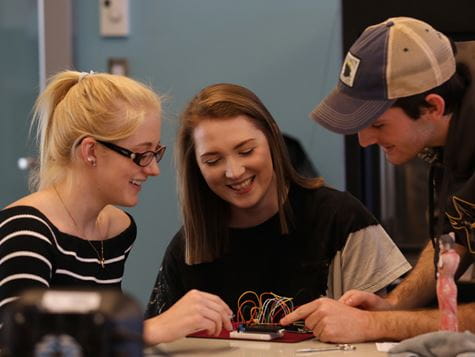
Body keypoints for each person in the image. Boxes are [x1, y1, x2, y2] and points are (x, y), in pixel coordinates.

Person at [145, 83, 411, 323]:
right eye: (213, 161)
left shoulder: (341, 220)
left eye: (246, 151)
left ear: (273, 140)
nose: (234, 171)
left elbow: (382, 335)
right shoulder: (187, 248)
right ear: (197, 169)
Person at [0, 70, 232, 345]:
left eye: (155, 152)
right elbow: (15, 343)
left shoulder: (116, 229)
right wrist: (149, 330)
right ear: (91, 151)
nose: (153, 169)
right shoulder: (26, 231)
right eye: (141, 155)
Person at [281, 16, 475, 342]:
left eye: (378, 124)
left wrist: (373, 326)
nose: (364, 141)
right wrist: (393, 304)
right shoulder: (449, 145)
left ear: (432, 107)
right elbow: (455, 237)